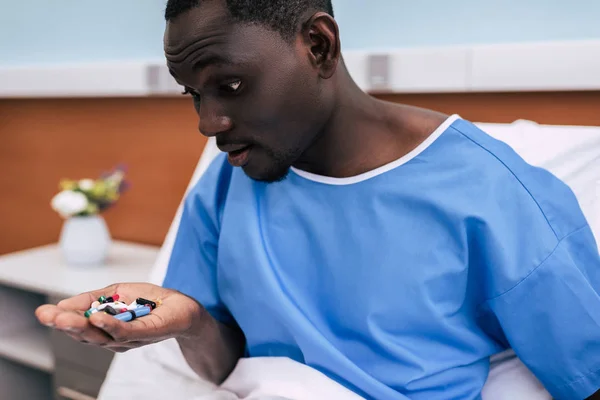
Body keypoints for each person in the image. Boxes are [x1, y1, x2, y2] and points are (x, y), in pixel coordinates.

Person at [36, 0, 600, 399]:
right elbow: (225, 363)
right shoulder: (227, 183)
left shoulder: (498, 194)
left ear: (318, 45)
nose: (208, 123)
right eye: (194, 95)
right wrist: (188, 323)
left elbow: (583, 376)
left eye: (228, 86)